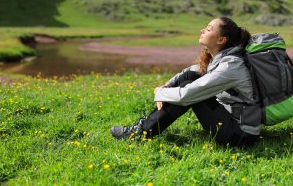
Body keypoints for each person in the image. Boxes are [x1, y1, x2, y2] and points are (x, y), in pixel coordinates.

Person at [110, 17, 262, 147]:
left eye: (209, 29)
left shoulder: (231, 66)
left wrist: (160, 92)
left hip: (241, 135)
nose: (202, 30)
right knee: (190, 76)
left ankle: (141, 133)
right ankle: (143, 129)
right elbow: (192, 71)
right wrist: (168, 85)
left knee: (191, 92)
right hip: (231, 122)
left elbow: (187, 95)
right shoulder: (224, 58)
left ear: (221, 40)